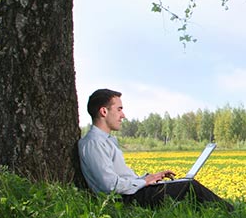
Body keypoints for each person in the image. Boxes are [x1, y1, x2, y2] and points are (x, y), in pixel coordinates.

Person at [78, 88, 233, 211]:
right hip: (125, 199)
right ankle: (231, 214)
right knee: (188, 186)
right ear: (104, 111)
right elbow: (110, 186)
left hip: (132, 193)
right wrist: (145, 182)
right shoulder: (94, 143)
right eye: (119, 109)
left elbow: (122, 177)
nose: (123, 115)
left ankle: (218, 213)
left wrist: (150, 178)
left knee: (185, 185)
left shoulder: (106, 141)